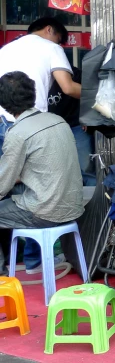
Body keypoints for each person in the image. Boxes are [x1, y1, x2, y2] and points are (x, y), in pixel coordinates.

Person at [0, 17, 82, 274]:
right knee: (32, 181)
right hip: (71, 205)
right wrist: (101, 96)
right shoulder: (58, 120)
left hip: (11, 123)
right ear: (50, 30)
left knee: (16, 186)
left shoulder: (7, 49)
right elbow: (68, 88)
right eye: (60, 39)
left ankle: (10, 268)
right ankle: (35, 259)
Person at [47, 66, 96, 186]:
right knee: (55, 169)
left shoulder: (75, 73)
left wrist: (86, 118)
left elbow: (89, 96)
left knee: (86, 168)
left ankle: (93, 201)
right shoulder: (37, 75)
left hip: (75, 125)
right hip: (49, 128)